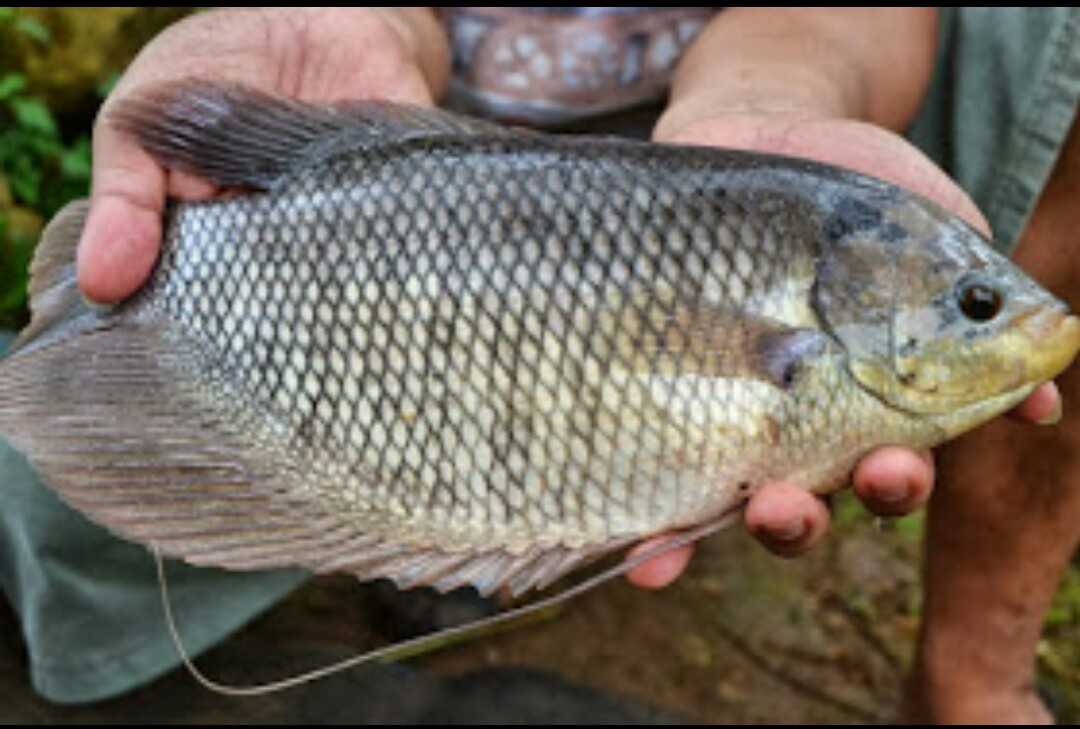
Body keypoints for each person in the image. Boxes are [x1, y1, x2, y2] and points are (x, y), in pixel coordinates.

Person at [0, 7, 1073, 722]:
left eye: (975, 306)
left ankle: (976, 677)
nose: (1014, 322)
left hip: (738, 115)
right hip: (410, 138)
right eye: (977, 308)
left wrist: (788, 92)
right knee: (64, 468)